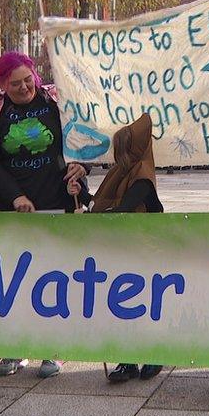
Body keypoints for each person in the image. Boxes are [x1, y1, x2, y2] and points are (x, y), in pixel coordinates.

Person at [0, 51, 88, 378]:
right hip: (13, 207)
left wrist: (83, 166)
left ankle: (55, 347)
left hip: (56, 200)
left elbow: (82, 142)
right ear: (2, 84)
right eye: (15, 83)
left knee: (54, 276)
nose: (24, 87)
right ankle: (15, 345)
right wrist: (15, 196)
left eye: (28, 80)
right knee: (16, 278)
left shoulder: (56, 102)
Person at [76, 113, 164, 382]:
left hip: (142, 250)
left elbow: (123, 210)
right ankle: (127, 360)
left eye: (123, 148)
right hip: (122, 250)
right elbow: (103, 203)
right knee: (121, 305)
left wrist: (90, 217)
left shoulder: (142, 177)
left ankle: (153, 354)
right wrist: (80, 192)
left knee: (141, 304)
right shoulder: (120, 173)